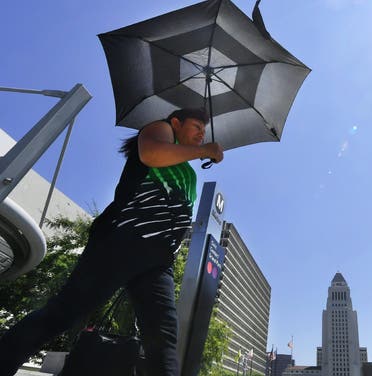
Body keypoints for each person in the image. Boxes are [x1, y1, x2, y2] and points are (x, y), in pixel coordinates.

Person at [0, 108, 223, 376]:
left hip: (159, 259)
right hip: (122, 242)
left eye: (204, 130)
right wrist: (204, 151)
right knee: (64, 313)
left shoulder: (187, 169)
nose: (201, 134)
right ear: (176, 123)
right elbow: (151, 154)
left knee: (163, 335)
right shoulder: (160, 130)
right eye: (197, 126)